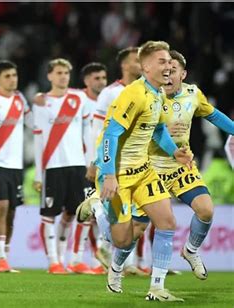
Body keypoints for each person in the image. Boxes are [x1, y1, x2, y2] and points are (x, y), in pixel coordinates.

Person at [77, 41, 192, 302]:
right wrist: (107, 175)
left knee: (167, 222)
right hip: (117, 174)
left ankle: (157, 288)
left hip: (143, 172)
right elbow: (110, 134)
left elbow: (159, 129)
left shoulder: (157, 93)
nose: (168, 67)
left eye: (169, 63)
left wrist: (174, 152)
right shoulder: (134, 94)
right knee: (121, 240)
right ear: (146, 66)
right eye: (162, 62)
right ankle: (96, 206)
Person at [149, 50, 234, 280]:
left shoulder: (193, 94)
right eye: (164, 71)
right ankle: (119, 264)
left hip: (180, 167)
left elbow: (214, 116)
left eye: (173, 71)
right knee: (134, 231)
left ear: (183, 74)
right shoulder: (149, 95)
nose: (167, 75)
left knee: (206, 209)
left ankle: (191, 250)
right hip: (150, 167)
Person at [91, 48, 150, 276]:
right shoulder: (110, 93)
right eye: (137, 60)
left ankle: (125, 260)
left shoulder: (147, 90)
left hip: (139, 157)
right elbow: (97, 128)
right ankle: (109, 247)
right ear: (125, 65)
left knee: (139, 209)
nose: (141, 63)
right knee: (120, 207)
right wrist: (95, 161)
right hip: (115, 158)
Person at [32, 58, 92, 274]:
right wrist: (39, 174)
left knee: (80, 213)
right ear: (49, 76)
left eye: (66, 72)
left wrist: (90, 163)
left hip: (78, 165)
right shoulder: (41, 102)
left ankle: (75, 260)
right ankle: (53, 261)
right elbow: (38, 139)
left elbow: (88, 131)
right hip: (53, 166)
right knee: (49, 214)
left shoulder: (80, 98)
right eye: (58, 72)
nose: (63, 76)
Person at [0, 60, 31, 273]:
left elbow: (34, 123)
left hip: (16, 165)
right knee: (0, 207)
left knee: (11, 211)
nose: (13, 79)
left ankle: (5, 257)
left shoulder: (21, 101)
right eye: (8, 76)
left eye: (14, 75)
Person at [69, 62, 108, 275]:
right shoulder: (78, 99)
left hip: (105, 166)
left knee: (102, 213)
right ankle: (75, 259)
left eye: (103, 78)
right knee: (86, 212)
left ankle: (96, 261)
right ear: (86, 81)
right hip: (84, 165)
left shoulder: (110, 101)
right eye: (97, 78)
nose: (101, 82)